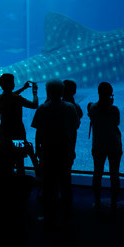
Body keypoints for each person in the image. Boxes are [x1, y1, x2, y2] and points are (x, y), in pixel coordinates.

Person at [31, 79, 80, 224]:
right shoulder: (70, 107)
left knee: (48, 183)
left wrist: (37, 148)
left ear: (47, 91)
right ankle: (67, 214)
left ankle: (48, 215)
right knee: (65, 182)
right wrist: (72, 149)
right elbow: (75, 127)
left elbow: (38, 131)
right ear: (62, 91)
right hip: (64, 148)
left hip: (48, 149)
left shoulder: (42, 108)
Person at [87, 81, 122, 211]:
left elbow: (92, 118)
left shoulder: (92, 108)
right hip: (114, 144)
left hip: (99, 145)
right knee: (115, 174)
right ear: (110, 95)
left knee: (97, 174)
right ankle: (114, 203)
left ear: (99, 93)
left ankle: (97, 202)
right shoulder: (114, 109)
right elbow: (117, 123)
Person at [0, 74, 38, 173]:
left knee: (7, 159)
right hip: (17, 134)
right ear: (12, 84)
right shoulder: (17, 98)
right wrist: (35, 92)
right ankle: (20, 182)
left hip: (4, 134)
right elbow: (34, 105)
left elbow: (10, 95)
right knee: (19, 158)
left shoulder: (1, 97)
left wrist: (23, 88)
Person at [62, 79, 84, 167]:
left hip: (54, 144)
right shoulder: (76, 107)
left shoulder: (49, 105)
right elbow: (78, 123)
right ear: (74, 91)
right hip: (70, 143)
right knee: (67, 169)